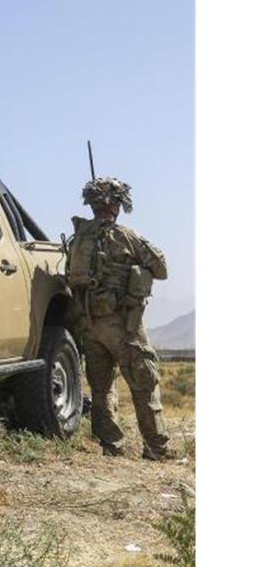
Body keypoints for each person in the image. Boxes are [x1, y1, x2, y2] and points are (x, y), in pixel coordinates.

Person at [66, 177, 173, 461]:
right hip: (122, 324)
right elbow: (161, 269)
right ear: (115, 204)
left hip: (88, 323)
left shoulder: (77, 239)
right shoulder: (124, 235)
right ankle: (156, 448)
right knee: (144, 382)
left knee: (101, 389)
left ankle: (111, 446)